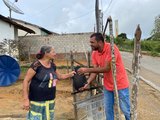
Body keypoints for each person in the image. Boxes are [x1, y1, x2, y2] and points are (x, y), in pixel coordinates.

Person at [77, 33, 130, 120]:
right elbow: (95, 70)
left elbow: (107, 69)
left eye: (92, 42)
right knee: (108, 109)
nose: (90, 44)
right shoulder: (94, 53)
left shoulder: (112, 48)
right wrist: (87, 82)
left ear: (100, 42)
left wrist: (87, 70)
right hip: (108, 86)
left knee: (125, 110)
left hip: (120, 84)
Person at [23, 46, 75, 120]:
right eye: (53, 52)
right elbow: (26, 81)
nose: (55, 53)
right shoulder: (36, 65)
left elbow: (59, 76)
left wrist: (70, 74)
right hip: (37, 100)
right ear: (46, 53)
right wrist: (26, 99)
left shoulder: (52, 65)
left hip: (50, 100)